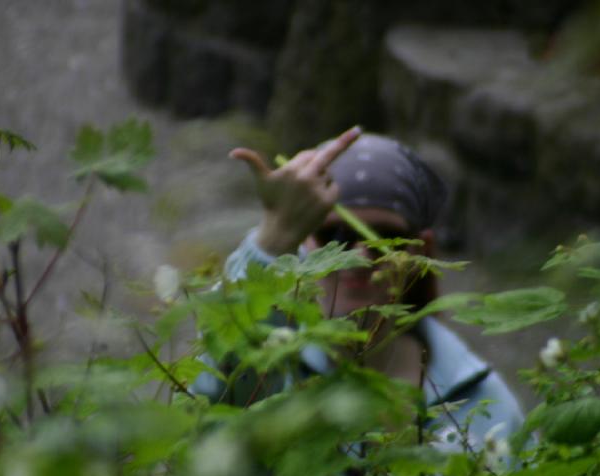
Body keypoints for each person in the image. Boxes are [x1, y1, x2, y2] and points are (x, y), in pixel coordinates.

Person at [192, 126, 524, 453]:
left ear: (420, 253)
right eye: (334, 236)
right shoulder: (271, 373)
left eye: (383, 238)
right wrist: (273, 238)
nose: (359, 256)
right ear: (302, 245)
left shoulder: (483, 402)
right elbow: (210, 418)